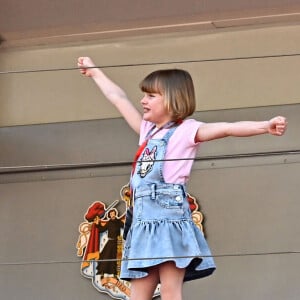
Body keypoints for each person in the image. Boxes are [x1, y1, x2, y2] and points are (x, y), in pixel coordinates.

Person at [77, 57, 287, 300]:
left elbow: (227, 128)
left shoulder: (187, 130)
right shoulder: (148, 131)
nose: (143, 100)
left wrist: (265, 125)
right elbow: (118, 98)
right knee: (138, 294)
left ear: (172, 99)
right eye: (144, 95)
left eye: (151, 96)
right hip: (142, 221)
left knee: (169, 289)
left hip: (168, 218)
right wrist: (95, 73)